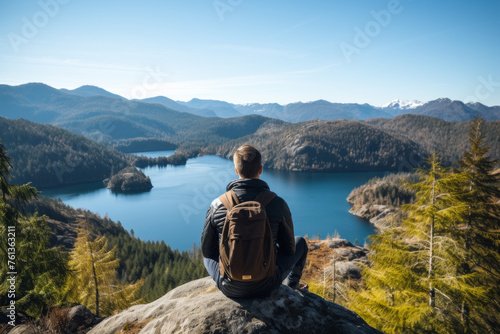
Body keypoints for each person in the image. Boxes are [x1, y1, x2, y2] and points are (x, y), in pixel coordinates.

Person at [201, 144, 308, 298]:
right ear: (260, 169)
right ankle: (292, 287)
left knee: (206, 257)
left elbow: (207, 250)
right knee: (301, 243)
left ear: (236, 171)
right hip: (267, 285)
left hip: (229, 287)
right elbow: (289, 249)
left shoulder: (217, 204)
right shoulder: (278, 203)